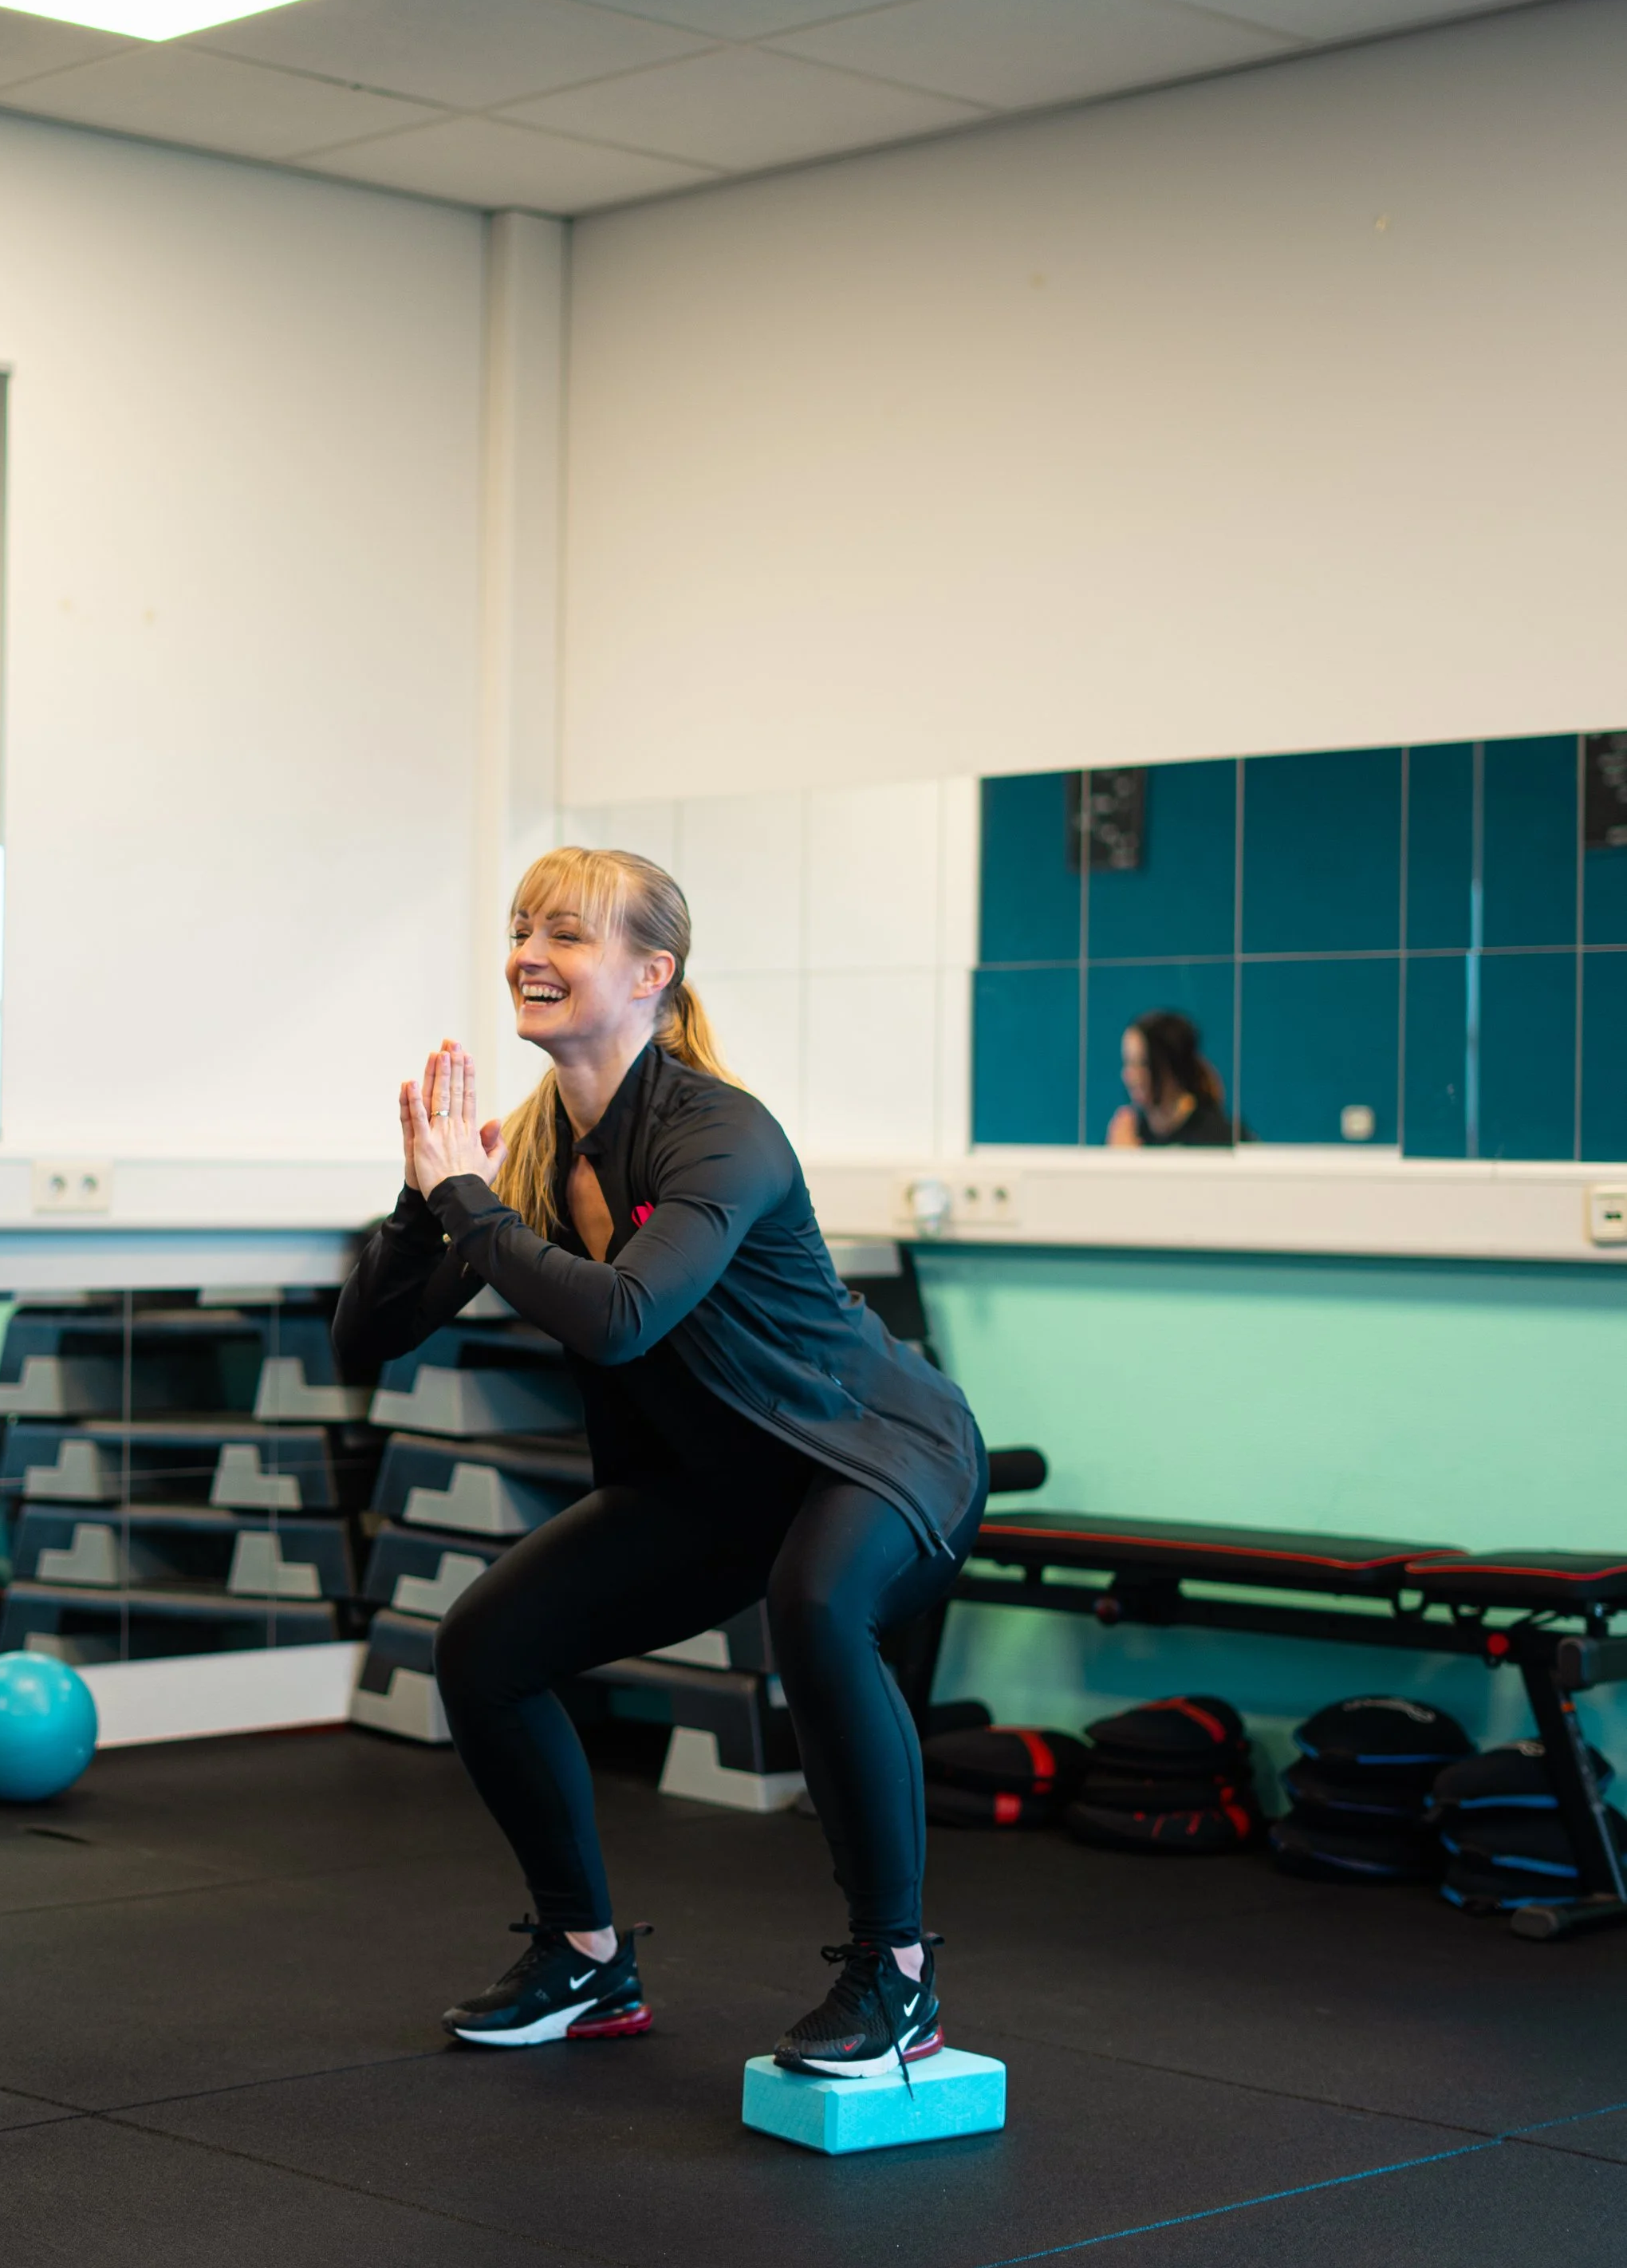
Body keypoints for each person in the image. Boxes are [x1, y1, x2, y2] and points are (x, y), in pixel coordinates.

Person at [333, 846, 987, 2081]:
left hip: (879, 1449)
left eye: (567, 933)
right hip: (717, 1479)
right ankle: (583, 1957)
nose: (530, 951)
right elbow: (365, 1338)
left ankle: (896, 1975)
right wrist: (426, 1203)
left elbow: (624, 1313)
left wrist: (470, 1203)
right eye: (522, 927)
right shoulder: (525, 1149)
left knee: (818, 1603)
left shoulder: (720, 1132)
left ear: (651, 973)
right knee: (485, 1651)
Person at [1105, 1008, 1243, 1149]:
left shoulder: (1220, 1137)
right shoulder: (1131, 1132)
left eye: (1143, 1064)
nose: (1129, 1076)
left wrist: (1130, 1162)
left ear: (1171, 1067)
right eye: (1128, 1063)